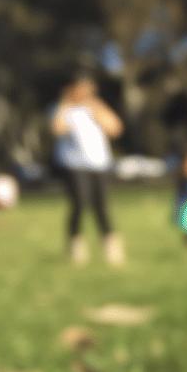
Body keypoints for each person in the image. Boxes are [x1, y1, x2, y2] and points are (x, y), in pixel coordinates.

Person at [52, 73, 124, 264]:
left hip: (99, 163)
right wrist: (65, 102)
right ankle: (76, 245)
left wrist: (95, 106)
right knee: (79, 204)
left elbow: (115, 128)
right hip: (74, 164)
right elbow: (57, 129)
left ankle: (110, 244)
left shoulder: (95, 108)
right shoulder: (65, 110)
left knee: (102, 205)